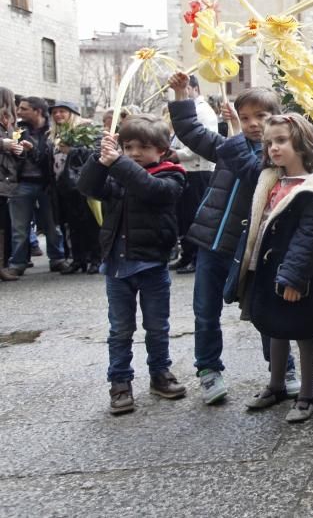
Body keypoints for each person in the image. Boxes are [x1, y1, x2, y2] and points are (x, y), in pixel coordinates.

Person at [168, 76, 298, 405]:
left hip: (252, 248)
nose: (254, 123)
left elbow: (254, 172)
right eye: (246, 116)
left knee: (264, 311)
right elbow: (191, 132)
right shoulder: (230, 145)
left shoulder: (281, 155)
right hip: (212, 242)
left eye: (262, 116)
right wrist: (181, 94)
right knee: (205, 312)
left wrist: (236, 135)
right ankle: (208, 370)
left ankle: (284, 368)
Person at [77, 115, 187, 414]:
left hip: (152, 265)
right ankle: (120, 382)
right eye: (127, 146)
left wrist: (118, 163)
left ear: (161, 149)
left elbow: (150, 189)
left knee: (157, 327)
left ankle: (160, 375)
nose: (134, 152)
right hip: (117, 266)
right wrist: (100, 159)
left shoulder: (172, 175)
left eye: (143, 146)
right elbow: (87, 187)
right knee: (120, 330)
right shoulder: (116, 175)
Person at [236, 114, 313, 424]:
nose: (273, 148)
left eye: (281, 141)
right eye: (269, 143)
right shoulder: (271, 178)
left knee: (303, 333)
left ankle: (306, 394)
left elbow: (310, 237)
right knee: (273, 327)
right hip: (267, 270)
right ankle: (276, 385)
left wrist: (294, 277)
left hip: (296, 274)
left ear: (303, 145)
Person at [7, 96, 68, 275]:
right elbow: (14, 155)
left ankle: (58, 259)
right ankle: (17, 263)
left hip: (47, 184)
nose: (19, 112)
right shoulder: (19, 129)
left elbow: (48, 158)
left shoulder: (53, 130)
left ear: (38, 111)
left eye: (24, 109)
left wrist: (32, 150)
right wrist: (18, 150)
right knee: (19, 227)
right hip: (21, 184)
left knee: (52, 224)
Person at [168, 75, 218, 274]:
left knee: (195, 216)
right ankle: (187, 254)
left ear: (195, 88)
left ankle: (196, 257)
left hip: (199, 170)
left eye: (185, 88)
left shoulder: (203, 111)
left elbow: (200, 143)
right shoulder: (192, 108)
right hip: (187, 169)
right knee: (185, 216)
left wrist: (177, 155)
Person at [49, 101, 101, 275]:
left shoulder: (86, 130)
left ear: (72, 113)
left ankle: (96, 259)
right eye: (55, 112)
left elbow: (95, 154)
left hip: (82, 184)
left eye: (62, 111)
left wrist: (71, 151)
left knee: (90, 223)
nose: (58, 115)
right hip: (62, 187)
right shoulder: (53, 135)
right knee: (71, 225)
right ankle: (78, 259)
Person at [0, 87, 21, 281]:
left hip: (7, 181)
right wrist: (3, 144)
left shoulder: (10, 123)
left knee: (4, 224)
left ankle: (2, 265)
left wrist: (20, 148)